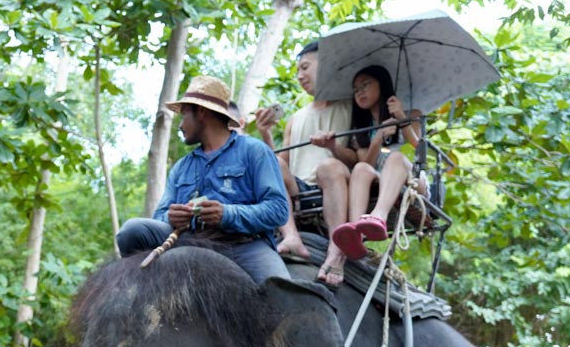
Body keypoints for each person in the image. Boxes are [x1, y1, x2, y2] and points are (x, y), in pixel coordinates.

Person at [116, 75, 292, 285]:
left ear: (201, 112)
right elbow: (160, 215)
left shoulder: (255, 151)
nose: (180, 125)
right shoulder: (182, 167)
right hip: (187, 240)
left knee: (282, 292)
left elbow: (278, 210)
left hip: (243, 245)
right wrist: (171, 219)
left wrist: (226, 214)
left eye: (184, 116)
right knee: (131, 230)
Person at [254, 41, 356, 286]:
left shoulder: (352, 107)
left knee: (327, 167)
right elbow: (278, 166)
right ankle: (291, 235)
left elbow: (359, 158)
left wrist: (332, 148)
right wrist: (266, 134)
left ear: (326, 66)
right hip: (299, 189)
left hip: (335, 184)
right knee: (274, 162)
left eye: (305, 67)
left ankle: (336, 248)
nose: (300, 75)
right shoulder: (296, 118)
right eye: (298, 70)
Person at [330, 65, 425, 258]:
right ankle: (356, 230)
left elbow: (418, 147)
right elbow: (366, 162)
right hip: (378, 176)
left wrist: (401, 117)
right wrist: (377, 139)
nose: (360, 92)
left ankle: (379, 215)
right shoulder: (362, 128)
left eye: (365, 85)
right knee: (361, 168)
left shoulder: (412, 113)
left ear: (382, 84)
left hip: (411, 178)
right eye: (356, 90)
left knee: (396, 157)